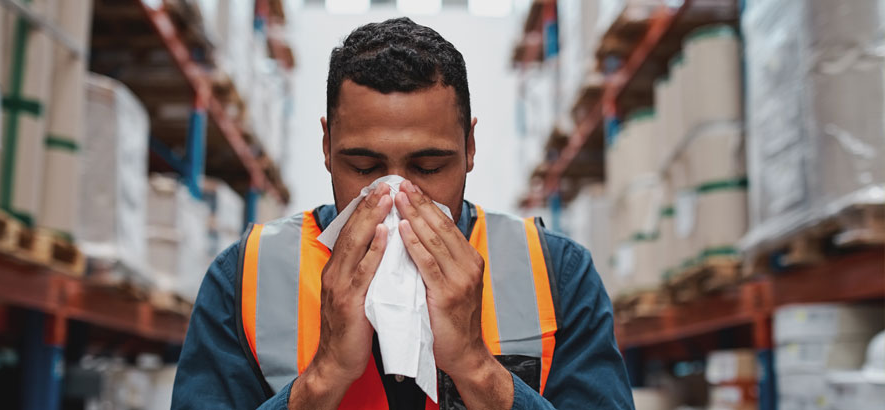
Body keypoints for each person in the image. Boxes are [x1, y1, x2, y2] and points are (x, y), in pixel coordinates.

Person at [171, 17, 634, 410]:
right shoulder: (247, 276)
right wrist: (322, 378)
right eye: (364, 167)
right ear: (327, 146)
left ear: (470, 147)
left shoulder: (554, 274)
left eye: (429, 167)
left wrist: (477, 370)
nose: (396, 194)